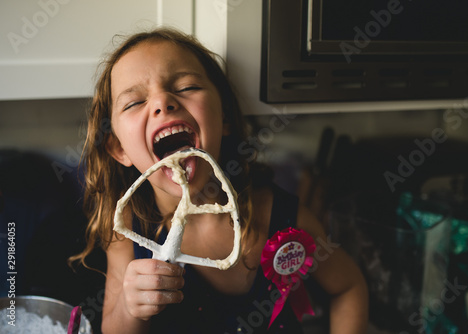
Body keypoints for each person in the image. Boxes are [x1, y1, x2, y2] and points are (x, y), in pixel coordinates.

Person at [71, 27, 368, 334]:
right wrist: (130, 309)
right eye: (134, 103)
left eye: (186, 86)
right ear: (119, 148)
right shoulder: (129, 234)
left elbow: (348, 287)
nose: (162, 101)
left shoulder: (280, 218)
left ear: (224, 117)